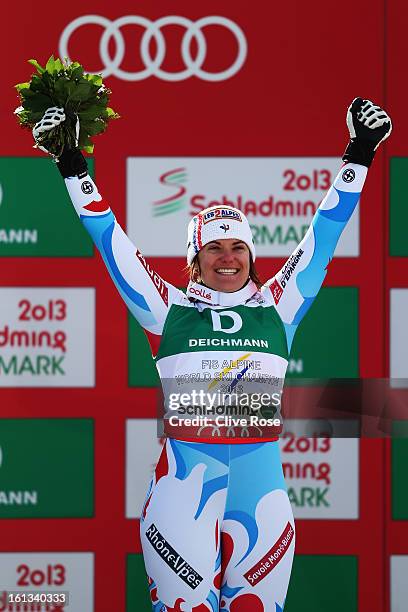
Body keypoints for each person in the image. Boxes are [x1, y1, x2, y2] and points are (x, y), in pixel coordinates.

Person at [31, 98, 391, 611]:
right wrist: (71, 165)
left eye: (238, 247)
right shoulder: (167, 308)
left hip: (261, 495)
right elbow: (110, 240)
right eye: (214, 248)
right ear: (195, 260)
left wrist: (359, 153)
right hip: (181, 495)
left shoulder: (278, 305)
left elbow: (323, 235)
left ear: (251, 256)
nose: (228, 256)